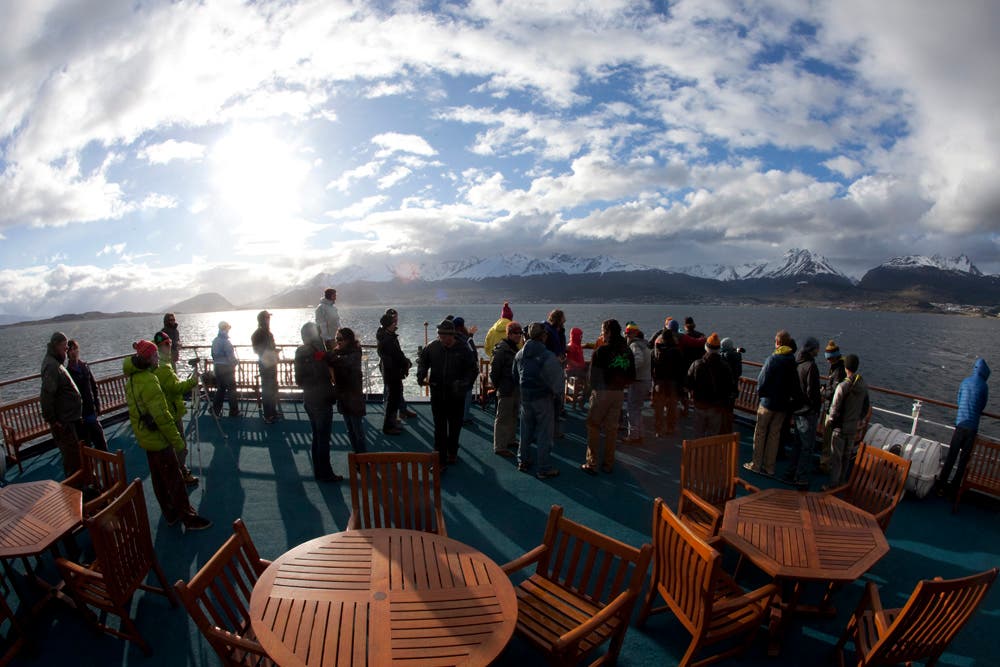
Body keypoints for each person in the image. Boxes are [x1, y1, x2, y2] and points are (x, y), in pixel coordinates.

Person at [124, 340, 211, 530]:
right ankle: (188, 518)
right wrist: (177, 442)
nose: (158, 359)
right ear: (148, 358)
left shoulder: (132, 378)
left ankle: (170, 513)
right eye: (155, 355)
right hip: (159, 439)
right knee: (174, 479)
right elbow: (162, 417)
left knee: (159, 479)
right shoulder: (148, 381)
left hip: (146, 437)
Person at [417, 319, 478, 470]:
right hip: (438, 394)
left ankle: (452, 452)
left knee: (455, 426)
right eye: (439, 336)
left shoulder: (464, 348)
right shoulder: (432, 347)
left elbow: (473, 369)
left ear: (452, 335)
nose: (441, 339)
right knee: (439, 428)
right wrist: (421, 373)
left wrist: (465, 384)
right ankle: (439, 461)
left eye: (444, 337)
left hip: (456, 396)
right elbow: (423, 361)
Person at [582, 319, 635, 475]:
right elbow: (632, 375)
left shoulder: (601, 351)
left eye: (603, 331)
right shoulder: (627, 351)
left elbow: (592, 377)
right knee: (612, 429)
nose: (601, 335)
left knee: (593, 425)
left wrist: (591, 392)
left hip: (602, 393)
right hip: (618, 393)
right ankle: (608, 463)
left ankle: (592, 463)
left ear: (609, 332)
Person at [746, 330, 802, 476]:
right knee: (774, 435)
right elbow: (795, 384)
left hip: (768, 403)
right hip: (783, 405)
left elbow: (762, 381)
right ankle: (769, 467)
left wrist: (762, 395)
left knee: (760, 432)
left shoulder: (773, 359)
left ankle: (756, 464)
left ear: (777, 342)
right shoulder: (792, 361)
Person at [513, 322, 563, 479]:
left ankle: (523, 460)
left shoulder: (520, 354)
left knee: (525, 430)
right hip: (543, 399)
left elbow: (515, 375)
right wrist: (557, 399)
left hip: (525, 398)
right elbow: (558, 383)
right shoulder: (548, 356)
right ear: (543, 336)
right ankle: (543, 468)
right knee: (543, 434)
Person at [294, 322, 343, 482]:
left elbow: (299, 380)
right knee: (323, 438)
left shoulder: (299, 352)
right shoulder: (319, 352)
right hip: (321, 399)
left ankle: (318, 471)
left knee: (316, 436)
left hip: (308, 399)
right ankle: (326, 473)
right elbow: (333, 362)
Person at [936, 359, 990, 497]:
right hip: (972, 429)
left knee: (951, 457)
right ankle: (953, 489)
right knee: (963, 461)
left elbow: (959, 400)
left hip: (960, 424)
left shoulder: (965, 382)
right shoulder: (984, 386)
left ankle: (941, 486)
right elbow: (982, 405)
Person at [152, 332, 199, 486]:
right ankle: (181, 472)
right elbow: (174, 388)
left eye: (170, 343)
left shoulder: (157, 362)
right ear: (161, 346)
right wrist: (192, 382)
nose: (170, 346)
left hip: (164, 408)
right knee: (179, 443)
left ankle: (175, 471)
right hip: (170, 409)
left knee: (170, 443)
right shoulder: (163, 367)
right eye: (167, 344)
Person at [40, 331, 83, 476]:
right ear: (56, 346)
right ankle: (76, 492)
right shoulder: (52, 366)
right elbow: (46, 396)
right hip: (64, 423)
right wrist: (53, 421)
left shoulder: (56, 363)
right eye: (65, 347)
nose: (67, 350)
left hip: (69, 419)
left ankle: (81, 487)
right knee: (72, 459)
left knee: (75, 456)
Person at [825, 354, 870, 488]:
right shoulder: (862, 386)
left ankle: (832, 485)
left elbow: (835, 406)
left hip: (840, 427)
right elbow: (866, 406)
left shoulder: (843, 386)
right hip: (852, 427)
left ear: (846, 367)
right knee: (846, 456)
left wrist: (832, 422)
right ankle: (842, 482)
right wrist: (858, 419)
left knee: (836, 457)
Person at [784, 337, 821, 486]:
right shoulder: (810, 366)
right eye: (817, 348)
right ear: (812, 349)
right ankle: (801, 477)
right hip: (807, 412)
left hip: (797, 409)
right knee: (807, 446)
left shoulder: (797, 363)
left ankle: (790, 472)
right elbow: (812, 392)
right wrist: (816, 406)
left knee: (798, 444)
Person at [686, 333, 733, 437]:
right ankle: (710, 453)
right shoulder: (725, 366)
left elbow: (689, 383)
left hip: (700, 404)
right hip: (717, 406)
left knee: (698, 433)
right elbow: (729, 387)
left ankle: (698, 452)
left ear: (706, 348)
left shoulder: (697, 364)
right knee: (713, 434)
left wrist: (692, 395)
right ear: (718, 349)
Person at [329, 328, 367, 454]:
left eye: (340, 339)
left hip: (354, 397)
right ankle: (357, 456)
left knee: (358, 430)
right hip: (343, 396)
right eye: (336, 339)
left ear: (348, 340)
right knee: (349, 430)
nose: (338, 342)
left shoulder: (355, 352)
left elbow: (346, 362)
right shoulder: (336, 353)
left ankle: (362, 456)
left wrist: (327, 357)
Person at [66, 339, 108, 451]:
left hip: (91, 411)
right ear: (67, 353)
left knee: (101, 442)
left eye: (75, 349)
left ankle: (106, 467)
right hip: (80, 416)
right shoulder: (67, 372)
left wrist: (97, 405)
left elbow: (94, 387)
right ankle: (90, 468)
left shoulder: (85, 366)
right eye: (71, 350)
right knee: (86, 446)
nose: (74, 352)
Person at [490, 321, 523, 458]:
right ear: (508, 334)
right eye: (515, 333)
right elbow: (494, 371)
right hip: (505, 387)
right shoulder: (502, 350)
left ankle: (510, 439)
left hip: (515, 388)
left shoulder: (515, 348)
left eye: (520, 333)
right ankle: (499, 446)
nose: (518, 335)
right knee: (503, 417)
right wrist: (498, 385)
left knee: (514, 414)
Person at [376, 312, 410, 435]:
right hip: (392, 373)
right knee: (392, 401)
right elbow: (396, 355)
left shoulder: (384, 336)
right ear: (390, 325)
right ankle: (388, 427)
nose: (395, 324)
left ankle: (392, 423)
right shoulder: (388, 339)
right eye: (393, 322)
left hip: (390, 372)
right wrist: (405, 364)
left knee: (393, 399)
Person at [650, 322, 685, 436]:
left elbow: (651, 367)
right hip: (673, 383)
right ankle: (671, 428)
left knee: (658, 409)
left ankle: (658, 430)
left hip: (659, 383)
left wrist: (653, 380)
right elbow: (681, 369)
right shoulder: (677, 351)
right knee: (672, 407)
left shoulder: (655, 351)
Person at [818, 340, 846, 473]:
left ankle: (825, 465)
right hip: (831, 408)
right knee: (827, 438)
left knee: (828, 439)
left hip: (832, 410)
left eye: (829, 357)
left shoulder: (838, 371)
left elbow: (835, 392)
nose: (828, 360)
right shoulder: (836, 368)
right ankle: (826, 463)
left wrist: (824, 391)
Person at [251, 310, 280, 423]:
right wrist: (270, 352)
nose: (269, 320)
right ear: (263, 319)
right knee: (267, 390)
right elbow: (257, 350)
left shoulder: (268, 333)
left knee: (272, 389)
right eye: (267, 317)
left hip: (271, 364)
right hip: (266, 365)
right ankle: (268, 415)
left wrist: (273, 352)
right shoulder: (258, 334)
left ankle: (272, 412)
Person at [624, 323, 650, 444]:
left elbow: (638, 360)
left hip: (638, 381)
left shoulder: (634, 345)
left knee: (632, 409)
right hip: (646, 380)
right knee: (638, 409)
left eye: (627, 334)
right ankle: (640, 433)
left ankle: (633, 435)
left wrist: (629, 371)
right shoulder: (645, 346)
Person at [211, 321, 240, 417]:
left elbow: (213, 355)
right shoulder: (226, 342)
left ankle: (215, 410)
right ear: (225, 329)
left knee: (221, 389)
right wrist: (236, 362)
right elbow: (230, 357)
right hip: (227, 368)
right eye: (228, 328)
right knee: (231, 390)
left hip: (217, 367)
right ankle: (234, 411)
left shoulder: (215, 341)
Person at [453, 317, 479, 423]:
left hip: (454, 370)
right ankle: (464, 417)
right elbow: (473, 354)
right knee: (467, 393)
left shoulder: (451, 338)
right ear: (462, 326)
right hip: (466, 371)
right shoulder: (467, 339)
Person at [719, 337, 744, 434]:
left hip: (722, 388)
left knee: (721, 410)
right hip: (733, 388)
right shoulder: (737, 356)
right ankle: (728, 430)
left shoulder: (722, 357)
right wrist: (736, 351)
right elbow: (739, 372)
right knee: (730, 410)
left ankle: (721, 430)